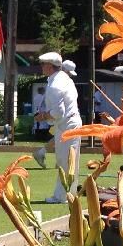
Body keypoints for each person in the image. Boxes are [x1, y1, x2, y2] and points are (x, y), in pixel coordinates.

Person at [34, 52, 81, 203]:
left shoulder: (55, 85)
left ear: (49, 66)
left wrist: (42, 116)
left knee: (64, 162)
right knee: (70, 161)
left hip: (66, 124)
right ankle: (69, 195)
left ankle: (61, 197)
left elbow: (58, 112)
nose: (41, 67)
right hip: (70, 122)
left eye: (43, 64)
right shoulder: (64, 78)